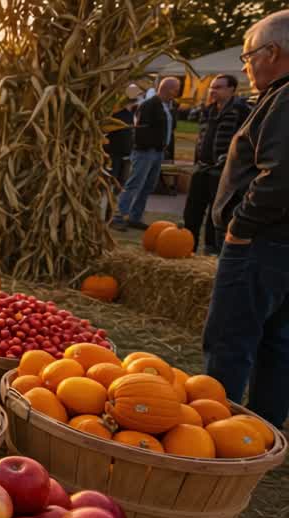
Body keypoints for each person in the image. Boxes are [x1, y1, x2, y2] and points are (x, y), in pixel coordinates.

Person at [202, 10, 289, 427]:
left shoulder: (285, 98)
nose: (246, 65)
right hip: (280, 244)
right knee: (279, 342)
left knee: (230, 341)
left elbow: (280, 174)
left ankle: (219, 429)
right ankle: (261, 428)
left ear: (273, 52)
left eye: (248, 55)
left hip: (262, 245)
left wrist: (240, 228)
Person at [184, 74, 250, 255]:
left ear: (231, 89)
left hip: (222, 171)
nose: (213, 91)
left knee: (216, 214)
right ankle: (187, 247)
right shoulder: (207, 110)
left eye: (218, 87)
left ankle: (210, 250)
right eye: (212, 87)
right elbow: (191, 121)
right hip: (201, 168)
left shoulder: (241, 111)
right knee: (192, 212)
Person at [112, 76, 181, 230]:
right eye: (176, 89)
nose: (177, 92)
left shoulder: (167, 106)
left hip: (157, 151)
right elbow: (140, 129)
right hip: (145, 151)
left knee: (148, 186)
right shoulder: (150, 105)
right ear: (168, 89)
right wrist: (148, 145)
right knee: (135, 184)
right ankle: (118, 216)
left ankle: (135, 216)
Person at [105, 96, 136, 188]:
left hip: (125, 150)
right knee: (115, 177)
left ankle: (115, 197)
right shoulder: (116, 113)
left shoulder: (129, 114)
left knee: (122, 178)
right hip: (116, 150)